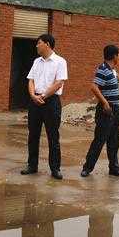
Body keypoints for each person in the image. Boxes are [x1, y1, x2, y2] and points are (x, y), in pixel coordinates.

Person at [81, 45, 119, 178]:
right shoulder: (103, 69)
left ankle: (114, 169)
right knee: (99, 140)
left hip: (115, 109)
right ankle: (87, 168)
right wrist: (105, 103)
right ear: (115, 56)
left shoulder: (111, 70)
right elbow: (94, 87)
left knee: (114, 140)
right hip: (106, 110)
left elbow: (116, 78)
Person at [20, 34, 68, 180]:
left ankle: (55, 168)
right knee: (33, 135)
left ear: (47, 44)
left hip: (51, 102)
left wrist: (44, 96)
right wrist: (33, 95)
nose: (36, 46)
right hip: (35, 101)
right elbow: (31, 80)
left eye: (39, 43)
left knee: (53, 136)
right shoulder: (37, 61)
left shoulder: (60, 61)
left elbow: (59, 83)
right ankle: (32, 165)